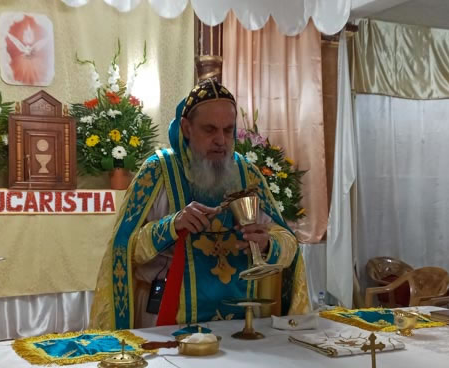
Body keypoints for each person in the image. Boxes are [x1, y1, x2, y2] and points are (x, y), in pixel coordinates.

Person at [90, 79, 308, 330]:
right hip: (171, 317)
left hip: (243, 318)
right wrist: (171, 226)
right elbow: (125, 250)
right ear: (186, 128)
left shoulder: (247, 174)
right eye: (210, 129)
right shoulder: (158, 172)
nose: (221, 140)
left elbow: (288, 241)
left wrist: (268, 243)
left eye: (228, 130)